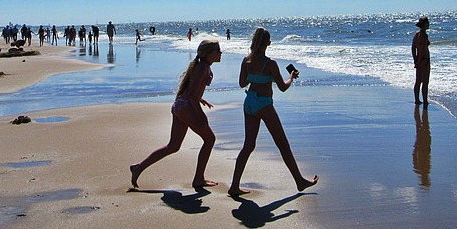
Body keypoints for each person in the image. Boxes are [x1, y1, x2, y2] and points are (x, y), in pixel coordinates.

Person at [227, 28, 318, 197]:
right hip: (264, 104)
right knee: (283, 144)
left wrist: (254, 77)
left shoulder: (246, 61)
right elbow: (283, 87)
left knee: (248, 146)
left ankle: (234, 186)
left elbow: (241, 84)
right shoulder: (270, 64)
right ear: (268, 43)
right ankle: (299, 181)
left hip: (249, 103)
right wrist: (291, 76)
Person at [130, 39, 222, 191]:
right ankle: (198, 178)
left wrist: (201, 99)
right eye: (217, 51)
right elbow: (192, 94)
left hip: (180, 105)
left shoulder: (203, 66)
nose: (220, 53)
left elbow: (193, 91)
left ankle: (139, 167)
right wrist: (201, 115)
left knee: (173, 146)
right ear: (208, 53)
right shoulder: (202, 68)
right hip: (186, 107)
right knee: (209, 139)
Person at [412, 17, 431, 105]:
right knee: (425, 82)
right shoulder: (424, 36)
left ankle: (417, 99)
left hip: (418, 60)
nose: (429, 24)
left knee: (418, 81)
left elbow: (413, 48)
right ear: (425, 24)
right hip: (424, 60)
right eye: (428, 23)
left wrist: (415, 60)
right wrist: (421, 61)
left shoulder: (416, 35)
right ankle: (425, 101)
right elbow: (423, 49)